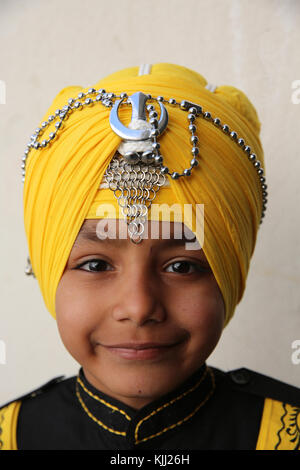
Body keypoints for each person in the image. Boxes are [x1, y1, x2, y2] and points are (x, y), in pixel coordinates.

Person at [0, 63, 299, 451]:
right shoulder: (12, 436)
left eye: (181, 266)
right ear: (45, 271)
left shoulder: (281, 433)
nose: (139, 307)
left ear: (231, 275)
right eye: (96, 264)